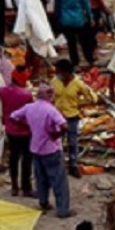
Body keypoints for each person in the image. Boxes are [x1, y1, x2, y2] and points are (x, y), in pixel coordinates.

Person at [11, 85, 72, 218]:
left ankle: (43, 202)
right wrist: (56, 135)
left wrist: (29, 125)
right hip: (51, 149)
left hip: (36, 148)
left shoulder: (29, 107)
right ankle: (63, 210)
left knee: (41, 178)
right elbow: (64, 125)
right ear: (51, 96)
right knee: (59, 180)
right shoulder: (51, 110)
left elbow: (14, 116)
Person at [50, 60, 97, 178]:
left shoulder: (78, 83)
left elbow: (92, 98)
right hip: (57, 116)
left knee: (72, 142)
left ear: (66, 72)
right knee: (57, 142)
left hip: (72, 116)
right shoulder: (54, 82)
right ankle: (57, 165)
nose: (57, 74)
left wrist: (78, 104)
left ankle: (73, 165)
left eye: (59, 72)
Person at [11, 0, 56, 71]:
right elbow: (32, 13)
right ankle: (34, 73)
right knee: (38, 50)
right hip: (35, 25)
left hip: (29, 26)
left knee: (31, 48)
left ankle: (27, 69)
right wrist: (41, 30)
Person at [0, 71, 34, 196]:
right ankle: (26, 187)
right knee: (26, 159)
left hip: (10, 129)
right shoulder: (26, 94)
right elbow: (30, 112)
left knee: (13, 158)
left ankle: (14, 186)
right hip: (24, 130)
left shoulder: (3, 91)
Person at [54, 0, 95, 69]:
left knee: (71, 43)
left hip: (65, 19)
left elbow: (57, 7)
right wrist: (91, 18)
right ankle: (89, 59)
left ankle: (75, 62)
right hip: (79, 19)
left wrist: (57, 19)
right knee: (84, 41)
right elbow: (87, 5)